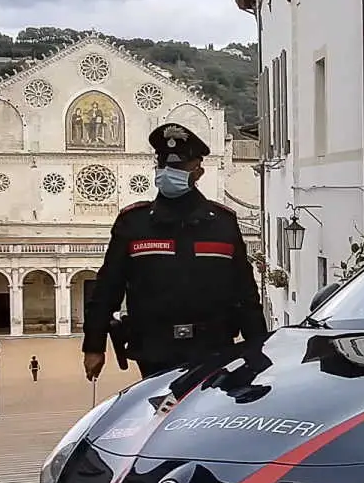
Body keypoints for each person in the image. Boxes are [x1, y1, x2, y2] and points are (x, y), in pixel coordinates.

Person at [82, 123, 268, 381]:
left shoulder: (223, 223)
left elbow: (245, 292)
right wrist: (93, 345)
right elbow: (107, 289)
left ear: (198, 171)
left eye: (179, 167)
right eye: (165, 166)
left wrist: (258, 347)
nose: (170, 172)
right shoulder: (133, 223)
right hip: (154, 352)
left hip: (214, 350)